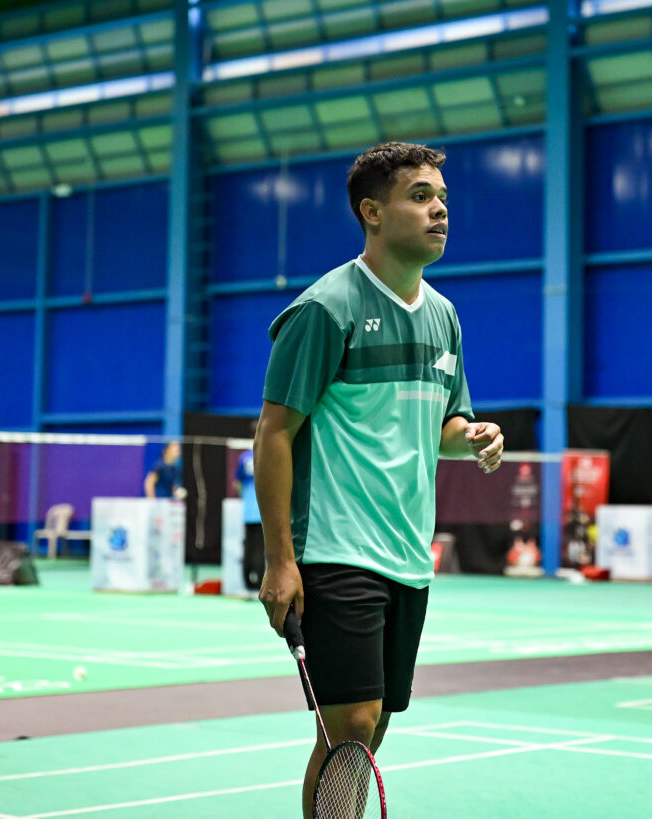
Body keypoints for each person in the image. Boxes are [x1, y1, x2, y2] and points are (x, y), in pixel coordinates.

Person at [253, 141, 504, 818]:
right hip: (336, 547)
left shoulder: (444, 316)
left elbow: (446, 424)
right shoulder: (326, 308)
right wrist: (280, 560)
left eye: (442, 198)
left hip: (407, 553)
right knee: (352, 724)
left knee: (376, 725)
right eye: (420, 196)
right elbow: (273, 432)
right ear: (372, 212)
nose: (439, 210)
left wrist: (472, 437)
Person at [232, 428, 264, 591]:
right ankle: (259, 581)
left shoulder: (243, 457)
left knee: (249, 546)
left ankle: (247, 581)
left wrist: (245, 495)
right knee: (260, 547)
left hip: (248, 510)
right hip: (262, 510)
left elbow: (237, 483)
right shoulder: (266, 454)